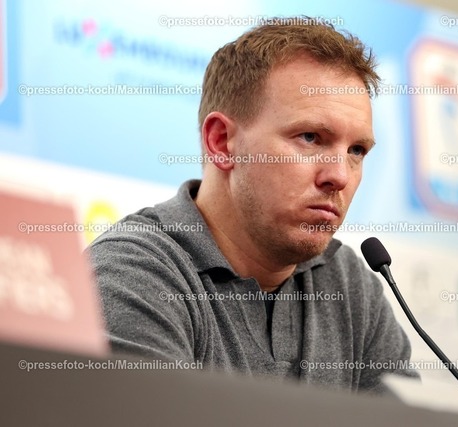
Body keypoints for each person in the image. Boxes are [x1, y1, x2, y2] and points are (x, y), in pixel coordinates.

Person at [88, 17, 418, 395]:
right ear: (222, 142)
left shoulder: (349, 285)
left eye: (356, 150)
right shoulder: (133, 273)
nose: (339, 176)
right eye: (310, 137)